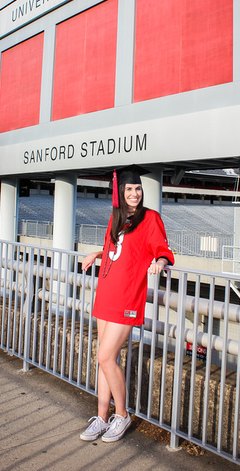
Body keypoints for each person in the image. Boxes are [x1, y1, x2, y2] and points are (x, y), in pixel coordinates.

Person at [80, 166, 174, 443]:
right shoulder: (116, 218)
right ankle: (102, 417)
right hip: (107, 292)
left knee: (106, 357)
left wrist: (160, 261)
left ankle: (121, 415)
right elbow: (116, 249)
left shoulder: (150, 218)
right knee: (105, 360)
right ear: (119, 193)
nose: (134, 194)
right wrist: (97, 252)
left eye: (137, 189)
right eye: (129, 189)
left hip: (128, 296)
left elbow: (162, 249)